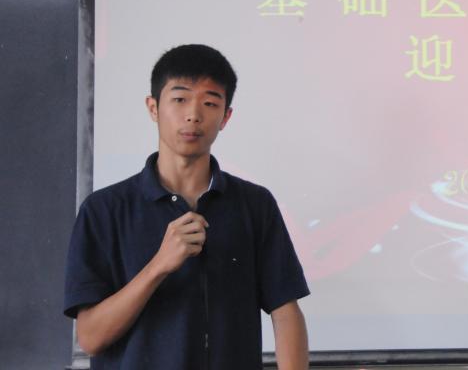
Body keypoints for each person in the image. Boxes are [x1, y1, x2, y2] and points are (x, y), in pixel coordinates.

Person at [64, 44, 310, 369]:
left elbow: (285, 312)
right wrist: (159, 266)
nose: (194, 115)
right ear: (153, 107)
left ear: (226, 117)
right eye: (180, 99)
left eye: (210, 103)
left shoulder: (254, 204)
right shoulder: (104, 211)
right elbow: (90, 337)